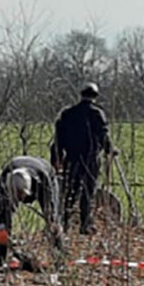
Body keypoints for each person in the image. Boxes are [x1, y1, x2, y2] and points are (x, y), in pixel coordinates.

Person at [50, 82, 114, 235]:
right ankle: (85, 225)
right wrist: (110, 150)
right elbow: (103, 135)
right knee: (88, 192)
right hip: (91, 159)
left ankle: (64, 224)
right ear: (95, 97)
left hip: (71, 158)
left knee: (69, 192)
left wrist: (56, 158)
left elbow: (58, 139)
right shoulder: (97, 114)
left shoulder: (67, 114)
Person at [0, 155, 65, 268]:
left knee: (53, 223)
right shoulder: (3, 184)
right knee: (2, 225)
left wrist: (51, 218)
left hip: (44, 174)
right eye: (16, 196)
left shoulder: (43, 180)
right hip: (16, 169)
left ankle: (59, 259)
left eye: (21, 195)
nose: (20, 199)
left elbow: (51, 203)